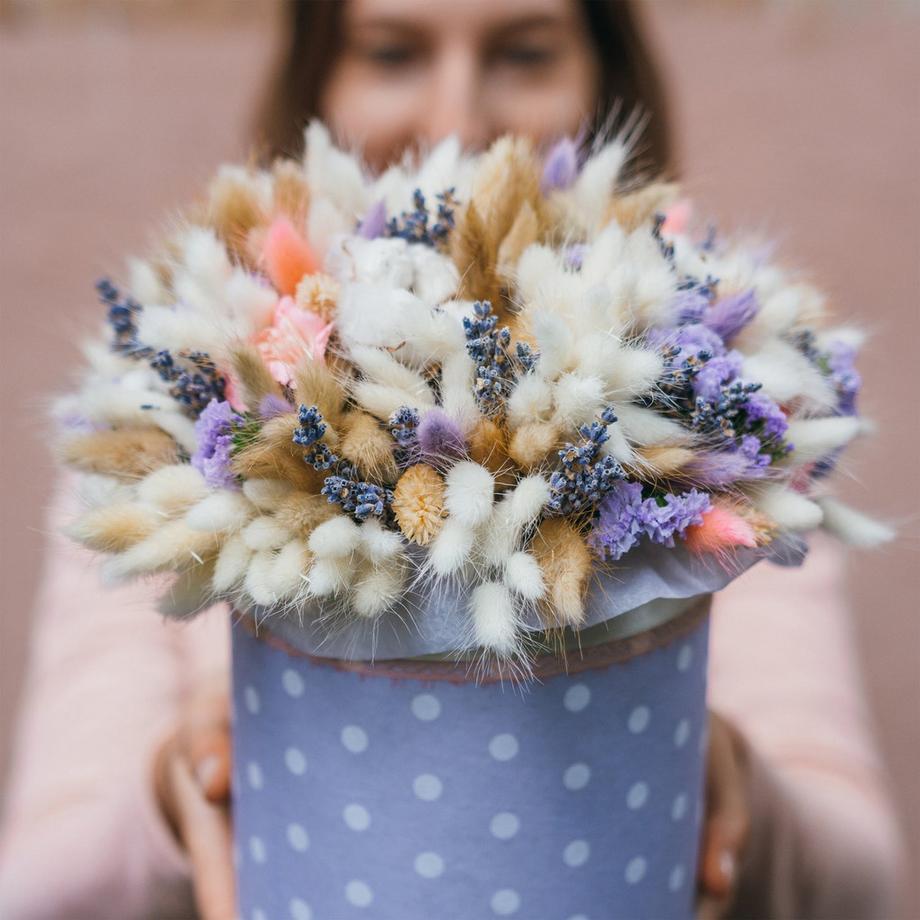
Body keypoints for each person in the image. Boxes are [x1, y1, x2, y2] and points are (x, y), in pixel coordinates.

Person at [0, 1, 906, 918]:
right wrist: (180, 789)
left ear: (604, 78)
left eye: (525, 52)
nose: (457, 119)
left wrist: (717, 780)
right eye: (393, 53)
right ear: (317, 80)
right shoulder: (180, 427)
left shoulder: (717, 425)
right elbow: (37, 884)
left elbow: (861, 875)